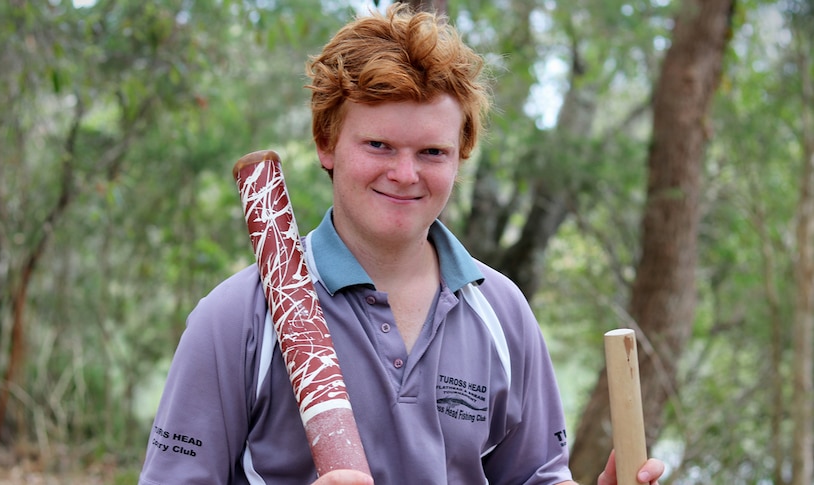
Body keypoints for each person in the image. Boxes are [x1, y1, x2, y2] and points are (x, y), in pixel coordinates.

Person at [138, 4, 664, 485]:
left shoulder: (502, 313)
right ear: (326, 144)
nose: (405, 173)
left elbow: (534, 476)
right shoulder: (236, 319)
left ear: (460, 157)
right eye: (378, 145)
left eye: (432, 152)